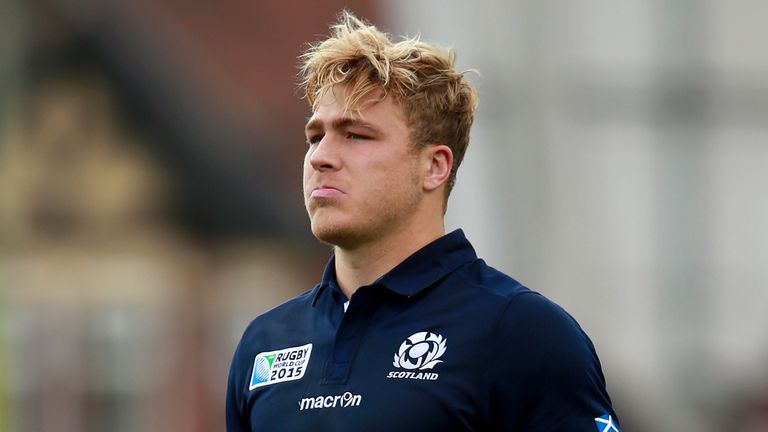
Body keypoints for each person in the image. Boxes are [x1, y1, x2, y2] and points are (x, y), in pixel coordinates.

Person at [226, 10, 620, 432]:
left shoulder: (521, 331)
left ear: (434, 167)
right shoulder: (264, 344)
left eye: (355, 135)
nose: (321, 157)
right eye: (315, 136)